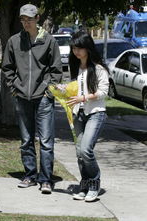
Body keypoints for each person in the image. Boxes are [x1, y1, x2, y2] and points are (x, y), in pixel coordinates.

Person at [1, 4, 62, 194]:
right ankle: (30, 175)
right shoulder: (14, 41)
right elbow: (7, 68)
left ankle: (46, 179)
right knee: (26, 139)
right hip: (22, 97)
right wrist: (14, 88)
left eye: (29, 19)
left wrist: (48, 91)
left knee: (46, 141)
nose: (26, 22)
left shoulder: (49, 41)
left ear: (37, 18)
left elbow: (56, 70)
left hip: (43, 97)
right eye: (23, 19)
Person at [67, 31, 109, 202]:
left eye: (79, 48)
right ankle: (84, 185)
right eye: (74, 48)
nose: (76, 51)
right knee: (79, 152)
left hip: (95, 113)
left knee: (86, 150)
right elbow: (74, 88)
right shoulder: (75, 67)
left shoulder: (98, 68)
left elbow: (103, 91)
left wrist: (84, 98)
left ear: (87, 48)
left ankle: (94, 183)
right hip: (79, 114)